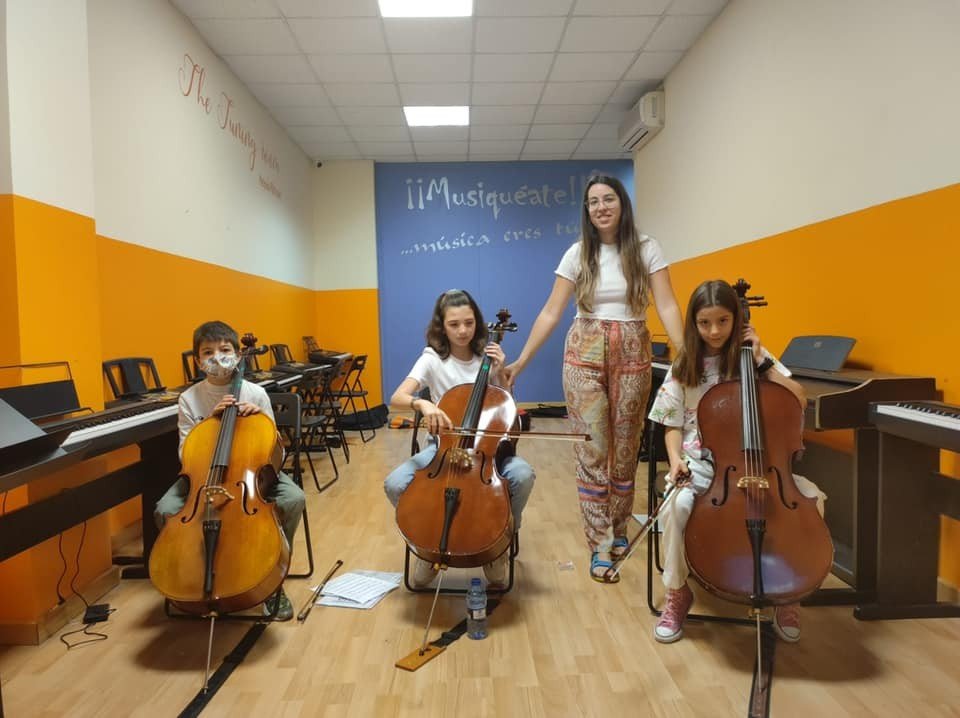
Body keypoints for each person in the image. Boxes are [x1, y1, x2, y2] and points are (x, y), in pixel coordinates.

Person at [503, 174, 684, 583]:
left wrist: (685, 354)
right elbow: (551, 311)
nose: (601, 207)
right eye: (593, 202)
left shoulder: (647, 248)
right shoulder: (577, 253)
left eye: (608, 199)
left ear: (622, 203)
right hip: (583, 353)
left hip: (633, 351)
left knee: (626, 449)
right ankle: (599, 543)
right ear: (586, 210)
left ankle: (618, 528)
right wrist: (522, 361)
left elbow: (668, 305)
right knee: (592, 450)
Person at [648, 279, 826, 643]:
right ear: (693, 324)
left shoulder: (756, 355)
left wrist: (762, 364)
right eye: (704, 323)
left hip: (762, 467)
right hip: (701, 467)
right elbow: (672, 423)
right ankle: (678, 591)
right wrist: (676, 459)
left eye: (723, 321)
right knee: (676, 507)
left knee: (812, 500)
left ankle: (788, 594)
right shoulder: (686, 364)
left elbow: (799, 399)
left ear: (736, 320)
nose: (714, 331)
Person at [154, 320, 305, 620]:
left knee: (293, 499)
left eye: (224, 350)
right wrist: (210, 422)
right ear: (197, 360)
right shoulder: (189, 399)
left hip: (251, 475)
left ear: (237, 354)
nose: (217, 357)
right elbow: (185, 453)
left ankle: (272, 580)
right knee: (165, 509)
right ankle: (191, 575)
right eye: (208, 352)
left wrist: (260, 420)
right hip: (203, 475)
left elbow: (275, 450)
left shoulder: (255, 393)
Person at [384, 289, 536, 588]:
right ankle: (427, 546)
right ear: (442, 327)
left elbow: (507, 410)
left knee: (522, 475)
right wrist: (423, 403)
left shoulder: (487, 357)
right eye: (454, 324)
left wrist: (499, 373)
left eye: (468, 322)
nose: (463, 330)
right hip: (443, 448)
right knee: (395, 483)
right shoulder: (431, 359)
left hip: (486, 450)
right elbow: (397, 397)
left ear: (477, 322)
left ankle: (500, 539)